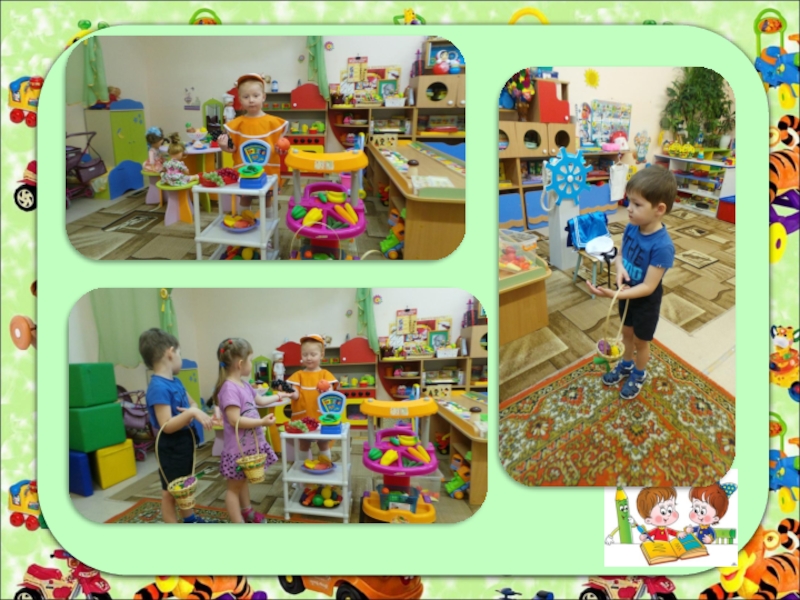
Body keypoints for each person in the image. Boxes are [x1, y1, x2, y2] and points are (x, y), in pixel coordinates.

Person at [587, 166, 677, 400]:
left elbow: (648, 287)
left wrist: (613, 295)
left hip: (645, 301)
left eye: (637, 204)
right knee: (626, 332)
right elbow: (620, 256)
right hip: (625, 293)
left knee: (640, 340)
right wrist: (619, 270)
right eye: (629, 201)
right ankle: (626, 364)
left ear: (659, 209)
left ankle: (639, 373)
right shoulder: (631, 227)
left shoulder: (663, 247)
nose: (628, 208)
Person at [139, 328, 215, 523]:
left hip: (184, 441)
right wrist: (190, 413)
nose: (181, 358)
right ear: (170, 353)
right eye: (180, 353)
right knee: (170, 492)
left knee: (184, 485)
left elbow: (193, 403)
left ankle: (190, 520)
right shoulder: (158, 387)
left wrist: (193, 411)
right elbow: (167, 425)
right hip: (170, 446)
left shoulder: (177, 382)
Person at [211, 338, 285, 523]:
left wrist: (279, 396)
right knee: (233, 489)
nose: (251, 365)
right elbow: (235, 420)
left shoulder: (244, 385)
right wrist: (261, 422)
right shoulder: (229, 388)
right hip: (238, 450)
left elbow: (260, 401)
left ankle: (247, 511)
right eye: (250, 360)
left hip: (249, 447)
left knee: (242, 481)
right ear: (240, 363)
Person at [217, 73, 288, 211]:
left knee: (267, 199)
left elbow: (279, 146)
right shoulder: (237, 124)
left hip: (267, 171)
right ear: (240, 100)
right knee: (245, 198)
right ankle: (244, 221)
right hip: (245, 172)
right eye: (246, 97)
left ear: (263, 97)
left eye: (256, 95)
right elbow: (233, 148)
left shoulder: (273, 122)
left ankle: (268, 222)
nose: (251, 100)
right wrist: (224, 146)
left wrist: (281, 150)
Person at [286, 335, 339, 463]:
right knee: (304, 444)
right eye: (305, 355)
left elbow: (331, 395)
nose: (308, 358)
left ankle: (326, 465)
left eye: (313, 354)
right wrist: (290, 393)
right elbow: (296, 394)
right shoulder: (298, 375)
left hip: (322, 418)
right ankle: (303, 468)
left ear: (321, 355)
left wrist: (325, 392)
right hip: (303, 418)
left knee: (323, 443)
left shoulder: (325, 374)